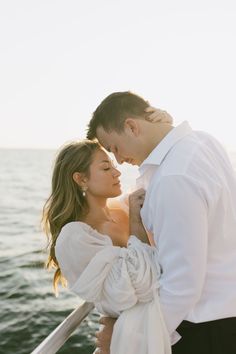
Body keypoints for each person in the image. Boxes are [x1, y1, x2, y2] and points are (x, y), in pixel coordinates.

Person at [86, 91, 236, 354]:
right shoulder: (202, 142)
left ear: (132, 126)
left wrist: (130, 340)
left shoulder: (173, 177)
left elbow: (182, 285)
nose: (119, 160)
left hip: (203, 331)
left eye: (114, 148)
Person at [41, 139, 172, 354]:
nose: (117, 172)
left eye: (113, 164)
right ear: (81, 179)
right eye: (105, 167)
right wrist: (136, 222)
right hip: (135, 339)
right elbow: (139, 287)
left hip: (169, 321)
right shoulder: (76, 237)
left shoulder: (123, 207)